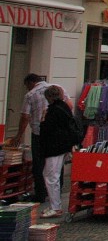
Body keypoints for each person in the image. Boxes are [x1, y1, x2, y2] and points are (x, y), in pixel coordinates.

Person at [38, 85, 79, 219]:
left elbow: (46, 129)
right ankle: (55, 205)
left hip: (54, 147)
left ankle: (55, 207)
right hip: (62, 146)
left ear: (49, 97)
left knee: (51, 176)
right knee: (52, 175)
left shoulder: (54, 110)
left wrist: (43, 119)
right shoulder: (64, 107)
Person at [15, 73, 51, 202]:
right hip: (54, 133)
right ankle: (52, 192)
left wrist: (19, 135)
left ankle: (40, 194)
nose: (27, 89)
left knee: (38, 163)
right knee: (53, 164)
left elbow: (25, 116)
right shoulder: (55, 88)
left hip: (38, 133)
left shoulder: (30, 95)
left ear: (31, 83)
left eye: (27, 86)